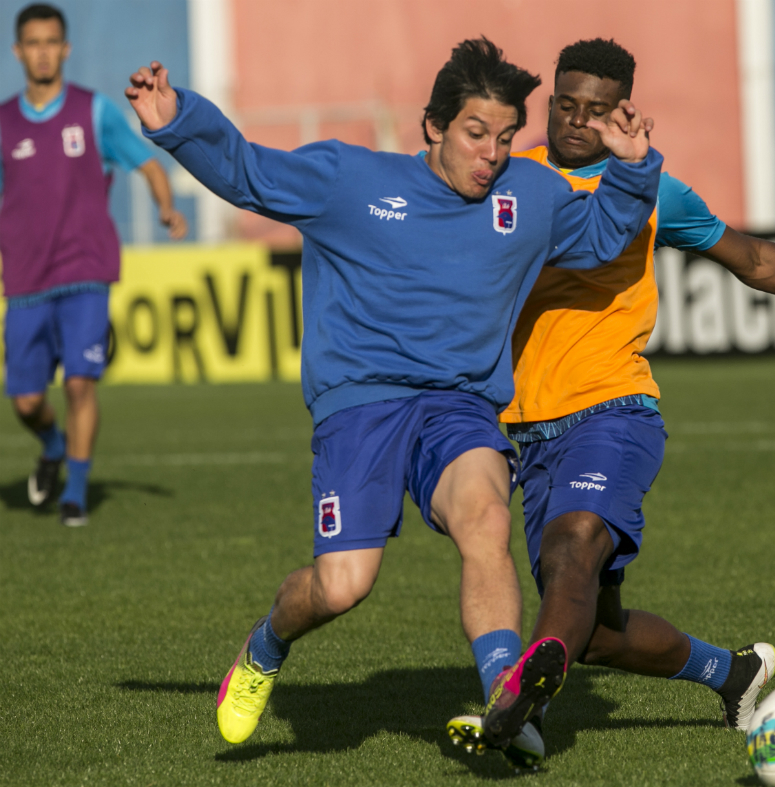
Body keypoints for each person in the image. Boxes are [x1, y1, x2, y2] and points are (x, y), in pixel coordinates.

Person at [125, 37, 662, 746]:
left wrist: (632, 170)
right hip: (361, 403)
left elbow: (597, 239)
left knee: (484, 519)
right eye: (475, 134)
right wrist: (176, 119)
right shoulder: (349, 178)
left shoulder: (529, 193)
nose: (492, 155)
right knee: (342, 585)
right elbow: (248, 172)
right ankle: (264, 647)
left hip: (460, 403)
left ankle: (507, 695)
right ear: (433, 126)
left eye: (505, 138)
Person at [447, 38, 775, 768]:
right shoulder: (508, 181)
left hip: (613, 410)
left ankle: (519, 706)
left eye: (595, 110)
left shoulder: (651, 189)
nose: (577, 122)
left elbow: (753, 259)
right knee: (593, 630)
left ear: (623, 110)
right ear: (550, 100)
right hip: (525, 432)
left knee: (575, 546)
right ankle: (732, 671)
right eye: (565, 106)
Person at [3, 3, 187, 527]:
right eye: (32, 43)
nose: (42, 51)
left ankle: (75, 496)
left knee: (81, 383)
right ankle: (53, 444)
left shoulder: (93, 111)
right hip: (25, 279)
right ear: (18, 51)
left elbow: (147, 162)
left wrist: (166, 204)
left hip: (85, 270)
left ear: (65, 48)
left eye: (51, 42)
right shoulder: (3, 122)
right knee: (25, 401)